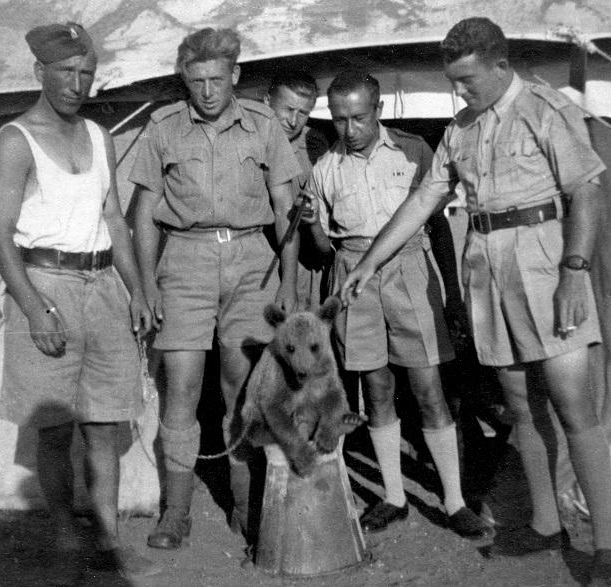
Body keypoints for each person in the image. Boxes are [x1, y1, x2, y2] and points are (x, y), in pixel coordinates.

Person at [338, 17, 611, 585]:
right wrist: (370, 263)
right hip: (487, 269)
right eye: (453, 82)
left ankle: (607, 547)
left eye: (468, 81)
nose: (459, 92)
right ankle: (545, 527)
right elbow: (425, 199)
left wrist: (574, 272)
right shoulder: (461, 128)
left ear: (500, 65)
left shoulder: (548, 111)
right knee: (520, 405)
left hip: (546, 266)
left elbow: (585, 192)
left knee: (573, 407)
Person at [0, 22, 156, 581]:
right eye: (65, 73)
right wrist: (34, 310)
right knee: (56, 428)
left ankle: (105, 540)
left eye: (86, 75)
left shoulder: (99, 137)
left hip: (102, 286)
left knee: (104, 425)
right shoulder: (16, 140)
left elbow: (113, 220)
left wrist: (138, 291)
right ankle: (63, 537)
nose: (76, 84)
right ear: (40, 72)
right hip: (46, 285)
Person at [300, 70, 493, 541]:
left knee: (428, 388)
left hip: (410, 270)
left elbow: (439, 227)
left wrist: (450, 294)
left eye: (360, 118)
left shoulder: (413, 151)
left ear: (379, 110)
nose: (350, 130)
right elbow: (323, 250)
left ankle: (454, 501)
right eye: (340, 120)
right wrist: (310, 225)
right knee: (377, 389)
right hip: (353, 276)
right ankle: (393, 497)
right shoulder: (325, 166)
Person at [128, 28, 301, 552]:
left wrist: (289, 282)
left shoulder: (264, 124)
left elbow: (285, 207)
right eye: (195, 80)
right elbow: (142, 215)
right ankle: (175, 512)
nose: (206, 91)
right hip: (184, 261)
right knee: (180, 388)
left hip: (253, 262)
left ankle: (247, 510)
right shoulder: (163, 128)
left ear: (236, 76)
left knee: (242, 389)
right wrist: (144, 285)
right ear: (184, 79)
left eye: (216, 79)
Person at [262, 71, 331, 310]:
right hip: (261, 258)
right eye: (287, 109)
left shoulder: (316, 144)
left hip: (305, 261)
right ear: (266, 101)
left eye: (303, 113)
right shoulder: (249, 140)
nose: (293, 121)